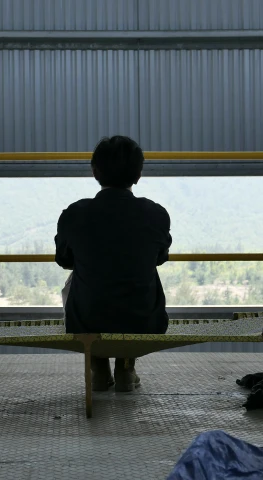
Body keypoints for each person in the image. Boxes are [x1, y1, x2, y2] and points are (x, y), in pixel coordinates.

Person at [54, 135, 172, 393]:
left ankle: (98, 368)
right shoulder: (156, 214)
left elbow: (64, 260)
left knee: (80, 280)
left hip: (87, 320)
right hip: (143, 322)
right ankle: (126, 368)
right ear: (138, 174)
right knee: (142, 274)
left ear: (94, 171)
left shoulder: (75, 214)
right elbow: (160, 258)